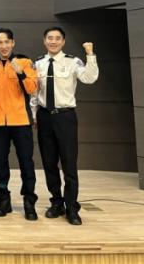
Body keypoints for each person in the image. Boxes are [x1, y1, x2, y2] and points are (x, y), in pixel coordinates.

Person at [34, 27, 98, 226]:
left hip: (65, 117)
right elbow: (34, 93)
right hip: (44, 117)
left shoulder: (73, 61)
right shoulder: (38, 63)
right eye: (49, 38)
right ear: (44, 41)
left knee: (69, 164)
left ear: (63, 41)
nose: (53, 41)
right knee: (49, 163)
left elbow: (89, 78)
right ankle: (56, 203)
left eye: (57, 38)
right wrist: (34, 115)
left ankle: (71, 207)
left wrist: (90, 54)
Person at [0, 28, 38, 220]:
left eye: (7, 42)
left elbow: (32, 89)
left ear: (13, 43)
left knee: (26, 162)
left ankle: (29, 201)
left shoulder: (24, 62)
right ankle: (4, 199)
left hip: (20, 121)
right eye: (0, 42)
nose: (3, 46)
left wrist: (21, 73)